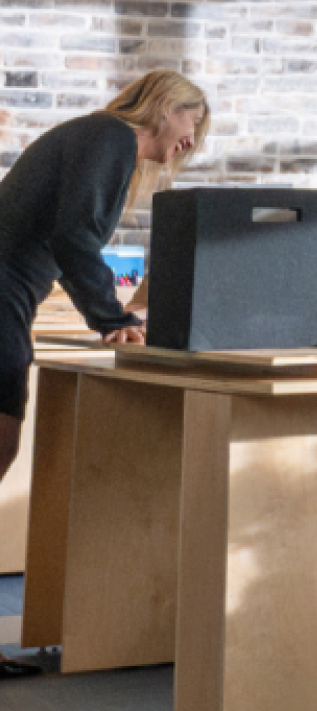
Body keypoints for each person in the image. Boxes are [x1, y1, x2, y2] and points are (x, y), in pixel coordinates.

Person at [0, 70, 210, 488]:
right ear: (167, 106)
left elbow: (71, 238)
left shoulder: (104, 139)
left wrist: (119, 311)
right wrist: (112, 319)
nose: (193, 138)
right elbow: (74, 239)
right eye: (195, 120)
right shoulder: (111, 136)